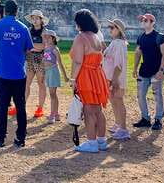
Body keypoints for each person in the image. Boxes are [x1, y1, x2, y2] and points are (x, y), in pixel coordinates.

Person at [0, 0, 33, 148]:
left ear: (5, 11)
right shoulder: (23, 28)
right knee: (20, 105)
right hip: (19, 73)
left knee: (3, 105)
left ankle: (0, 137)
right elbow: (28, 49)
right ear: (17, 11)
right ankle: (20, 137)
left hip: (2, 72)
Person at [71, 9, 110, 153]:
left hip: (86, 75)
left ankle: (92, 142)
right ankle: (101, 140)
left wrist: (73, 79)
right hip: (97, 75)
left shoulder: (81, 38)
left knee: (88, 110)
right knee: (98, 110)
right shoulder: (96, 36)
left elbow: (77, 61)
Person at [132, 13, 164, 131]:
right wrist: (135, 68)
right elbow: (138, 53)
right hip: (144, 71)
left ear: (153, 22)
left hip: (156, 71)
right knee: (140, 95)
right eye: (142, 20)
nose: (143, 22)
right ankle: (145, 118)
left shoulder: (160, 37)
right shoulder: (141, 37)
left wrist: (162, 70)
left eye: (146, 20)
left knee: (158, 95)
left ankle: (158, 119)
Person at [15, 9, 47, 119]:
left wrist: (31, 46)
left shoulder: (44, 32)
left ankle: (40, 108)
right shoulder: (28, 30)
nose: (35, 20)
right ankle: (20, 106)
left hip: (40, 59)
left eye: (37, 18)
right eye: (33, 18)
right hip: (29, 59)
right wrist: (33, 47)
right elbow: (25, 45)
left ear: (41, 20)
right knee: (25, 84)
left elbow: (44, 46)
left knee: (41, 83)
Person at [103, 18, 130, 140]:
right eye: (110, 27)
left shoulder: (119, 44)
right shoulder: (115, 42)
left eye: (112, 27)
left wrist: (114, 80)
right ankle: (118, 124)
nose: (110, 29)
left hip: (115, 78)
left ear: (119, 30)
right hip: (111, 77)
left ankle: (123, 128)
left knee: (118, 101)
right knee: (114, 101)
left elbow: (118, 64)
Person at [41, 29, 69, 123]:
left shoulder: (55, 49)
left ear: (53, 39)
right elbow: (43, 61)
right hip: (47, 72)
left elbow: (60, 63)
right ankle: (56, 113)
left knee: (52, 94)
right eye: (45, 37)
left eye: (48, 37)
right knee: (52, 94)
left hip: (53, 71)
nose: (46, 38)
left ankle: (52, 114)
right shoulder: (45, 48)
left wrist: (65, 76)